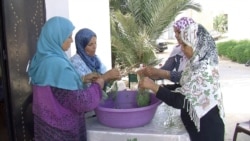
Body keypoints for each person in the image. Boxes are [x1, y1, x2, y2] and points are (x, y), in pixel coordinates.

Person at [138, 23, 225, 141]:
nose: (182, 49)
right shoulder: (194, 64)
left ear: (197, 46)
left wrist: (153, 87)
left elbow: (180, 101)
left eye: (185, 45)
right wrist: (162, 87)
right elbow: (183, 86)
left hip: (207, 131)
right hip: (197, 126)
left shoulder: (204, 70)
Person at [28, 16, 105, 141]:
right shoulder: (59, 65)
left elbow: (55, 90)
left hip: (45, 127)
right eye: (68, 36)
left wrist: (82, 79)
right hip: (62, 132)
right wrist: (98, 86)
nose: (71, 41)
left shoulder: (41, 60)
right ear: (57, 37)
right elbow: (81, 102)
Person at [138, 17, 195, 83]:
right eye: (175, 32)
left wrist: (158, 73)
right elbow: (165, 70)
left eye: (179, 32)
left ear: (189, 33)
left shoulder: (200, 53)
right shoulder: (177, 50)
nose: (176, 35)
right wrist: (149, 72)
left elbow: (187, 77)